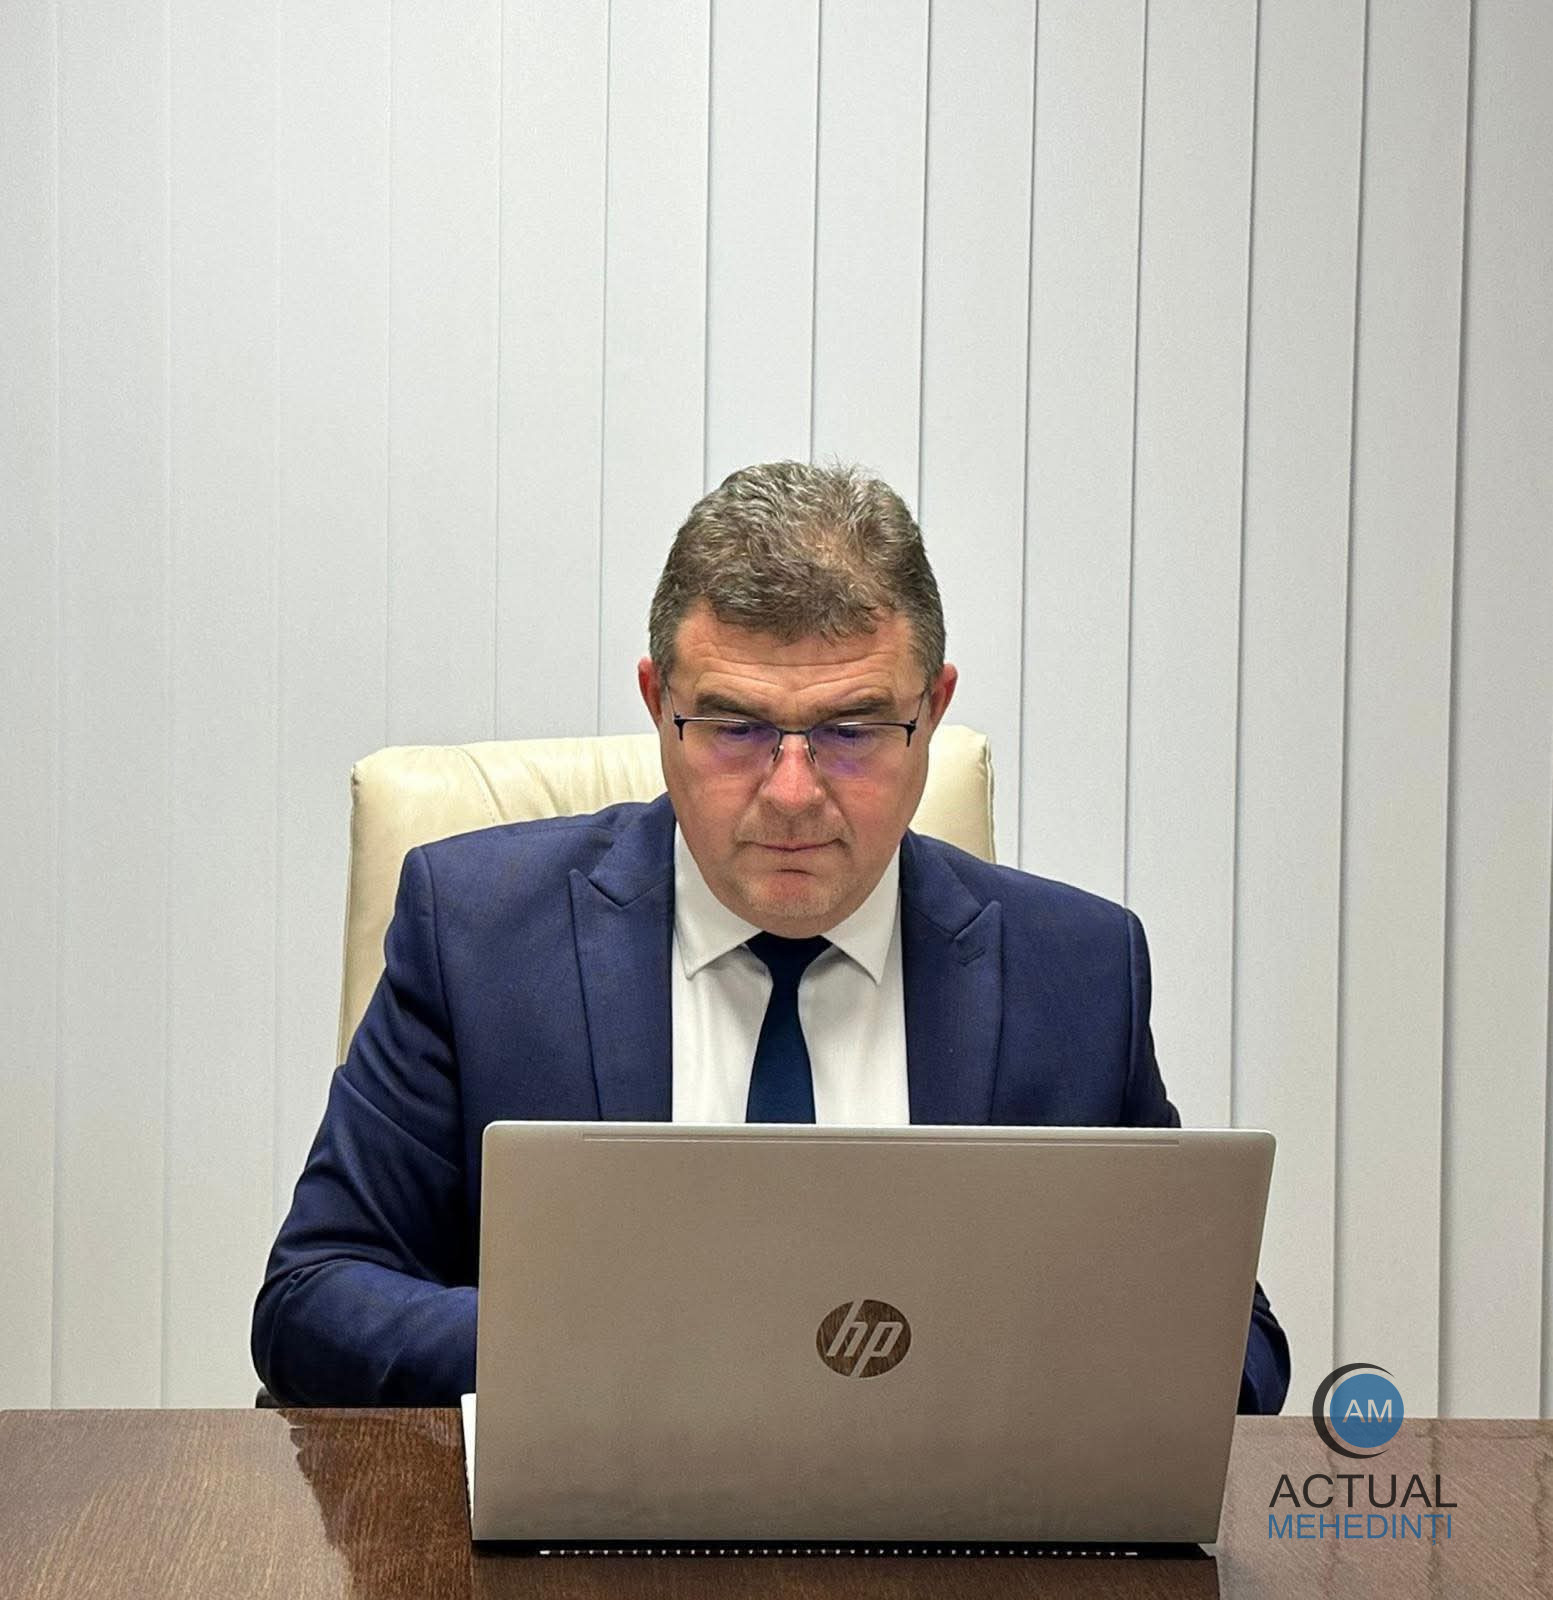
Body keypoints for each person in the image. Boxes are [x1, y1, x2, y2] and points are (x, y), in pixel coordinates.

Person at [253, 460, 1290, 1411]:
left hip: (947, 1523)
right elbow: (312, 1299)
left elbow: (1236, 1347)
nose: (792, 793)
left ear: (932, 712)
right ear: (657, 704)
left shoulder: (1079, 972)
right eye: (735, 727)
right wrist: (611, 1351)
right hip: (591, 1521)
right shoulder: (477, 935)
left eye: (852, 730)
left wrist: (980, 1361)